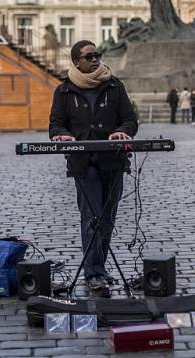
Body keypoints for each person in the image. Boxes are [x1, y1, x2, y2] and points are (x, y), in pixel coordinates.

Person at [49, 40, 138, 298]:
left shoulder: (114, 85)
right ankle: (93, 274)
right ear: (77, 62)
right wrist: (62, 136)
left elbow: (129, 119)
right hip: (83, 163)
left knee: (107, 219)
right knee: (92, 218)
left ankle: (99, 268)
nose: (96, 59)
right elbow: (56, 124)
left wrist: (122, 132)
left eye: (97, 55)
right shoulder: (64, 91)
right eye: (89, 57)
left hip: (113, 161)